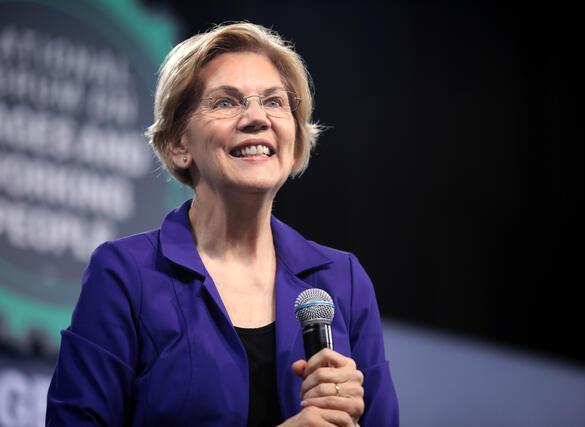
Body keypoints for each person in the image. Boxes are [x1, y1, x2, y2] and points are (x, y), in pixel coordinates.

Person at [46, 22, 399, 426]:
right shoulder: (126, 274)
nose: (256, 118)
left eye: (274, 101)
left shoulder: (343, 281)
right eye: (226, 103)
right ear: (180, 144)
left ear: (295, 135)